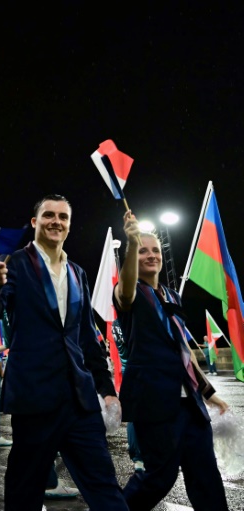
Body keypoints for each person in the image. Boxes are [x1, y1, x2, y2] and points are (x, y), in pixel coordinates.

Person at [0, 194, 126, 511]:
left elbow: (87, 336)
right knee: (24, 492)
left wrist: (106, 389)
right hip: (35, 398)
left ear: (69, 225)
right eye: (48, 215)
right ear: (35, 222)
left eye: (63, 217)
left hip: (79, 399)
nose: (56, 221)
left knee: (105, 488)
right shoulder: (15, 263)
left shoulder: (77, 273)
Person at [114, 211, 229, 510]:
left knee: (206, 473)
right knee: (159, 477)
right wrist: (131, 242)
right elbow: (125, 290)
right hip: (154, 401)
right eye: (143, 251)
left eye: (154, 250)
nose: (150, 255)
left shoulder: (172, 296)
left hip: (190, 402)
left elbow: (183, 350)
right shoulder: (129, 294)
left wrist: (209, 393)